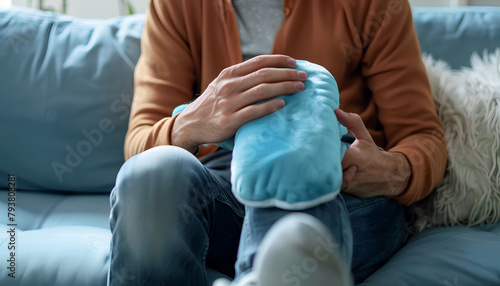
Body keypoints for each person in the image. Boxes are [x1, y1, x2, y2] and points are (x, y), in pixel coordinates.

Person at [108, 0, 447, 285]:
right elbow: (140, 142)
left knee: (295, 171)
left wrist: (389, 171)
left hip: (342, 184)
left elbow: (423, 136)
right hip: (227, 180)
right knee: (151, 173)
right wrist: (194, 121)